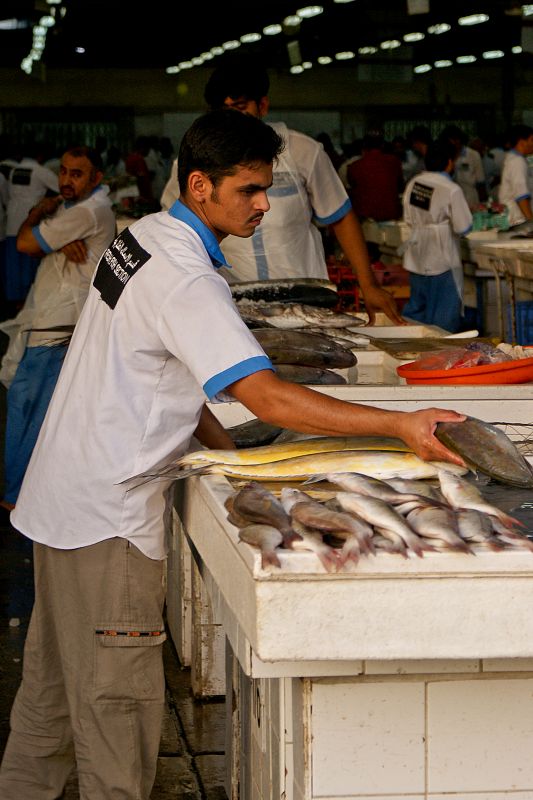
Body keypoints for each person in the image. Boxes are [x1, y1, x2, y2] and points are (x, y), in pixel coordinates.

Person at [0, 108, 466, 800]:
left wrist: (235, 460)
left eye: (267, 188)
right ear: (198, 186)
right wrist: (397, 427)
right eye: (248, 190)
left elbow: (158, 375)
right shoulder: (188, 277)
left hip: (58, 504)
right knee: (116, 723)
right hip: (109, 524)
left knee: (47, 712)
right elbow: (266, 397)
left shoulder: (142, 238)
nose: (262, 205)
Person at [160, 56, 403, 324]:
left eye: (240, 107)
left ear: (262, 105)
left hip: (305, 305)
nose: (231, 119)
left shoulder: (303, 152)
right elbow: (176, 232)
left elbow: (340, 217)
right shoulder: (194, 162)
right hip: (231, 307)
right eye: (222, 110)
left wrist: (368, 285)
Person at [0, 145, 116, 520]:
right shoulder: (73, 209)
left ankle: (18, 496)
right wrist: (54, 237)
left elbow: (24, 243)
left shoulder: (88, 210)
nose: (67, 180)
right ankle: (24, 492)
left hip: (58, 327)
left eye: (77, 174)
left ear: (96, 179)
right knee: (36, 409)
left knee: (29, 410)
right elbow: (34, 246)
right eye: (64, 172)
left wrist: (36, 217)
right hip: (52, 321)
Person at [401, 140, 473, 333]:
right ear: (450, 162)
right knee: (444, 318)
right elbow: (463, 226)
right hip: (443, 257)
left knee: (417, 312)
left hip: (417, 254)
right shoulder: (451, 189)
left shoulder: (414, 183)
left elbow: (408, 217)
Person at [4, 143, 59, 309]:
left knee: (14, 265)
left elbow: (8, 195)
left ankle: (14, 302)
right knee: (29, 265)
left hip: (12, 220)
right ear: (40, 157)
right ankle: (27, 303)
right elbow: (61, 188)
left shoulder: (14, 171)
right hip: (30, 222)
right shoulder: (40, 171)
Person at [347, 130, 404, 221]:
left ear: (364, 146)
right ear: (383, 145)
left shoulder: (354, 166)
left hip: (365, 218)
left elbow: (352, 186)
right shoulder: (394, 162)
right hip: (392, 216)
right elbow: (400, 186)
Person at [438, 124, 486, 209]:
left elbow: (481, 181)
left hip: (470, 198)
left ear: (459, 140)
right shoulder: (445, 156)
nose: (454, 144)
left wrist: (482, 204)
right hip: (451, 198)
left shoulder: (473, 155)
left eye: (455, 141)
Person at [498, 124, 533, 227]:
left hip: (518, 218)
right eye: (531, 140)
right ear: (522, 141)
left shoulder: (516, 159)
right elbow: (521, 196)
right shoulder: (517, 161)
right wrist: (531, 224)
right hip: (518, 220)